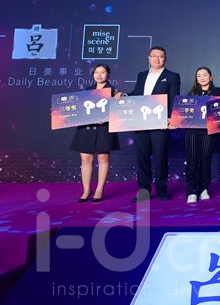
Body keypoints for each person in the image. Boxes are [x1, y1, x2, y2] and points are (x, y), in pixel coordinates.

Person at [118, 46, 180, 202]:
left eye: (161, 56)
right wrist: (124, 95)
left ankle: (162, 190)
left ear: (165, 59)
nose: (157, 59)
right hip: (141, 122)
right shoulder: (142, 75)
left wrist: (171, 118)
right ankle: (144, 191)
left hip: (160, 122)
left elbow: (174, 98)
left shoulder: (172, 76)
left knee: (160, 157)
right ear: (149, 58)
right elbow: (136, 94)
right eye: (154, 56)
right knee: (142, 157)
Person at [70, 64, 119, 203]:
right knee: (85, 159)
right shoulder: (87, 90)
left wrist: (119, 99)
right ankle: (86, 190)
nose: (99, 75)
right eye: (96, 72)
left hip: (104, 129)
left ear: (108, 74)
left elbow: (120, 110)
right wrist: (60, 112)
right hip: (86, 128)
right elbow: (78, 109)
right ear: (93, 75)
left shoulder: (114, 91)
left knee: (103, 158)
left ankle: (99, 189)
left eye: (102, 72)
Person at [185, 67, 220, 204]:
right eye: (199, 75)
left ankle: (203, 189)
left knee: (205, 159)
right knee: (192, 160)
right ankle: (192, 191)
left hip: (208, 131)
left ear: (211, 77)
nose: (202, 78)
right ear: (196, 79)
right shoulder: (192, 93)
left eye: (205, 75)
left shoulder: (216, 91)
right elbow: (184, 112)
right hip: (192, 131)